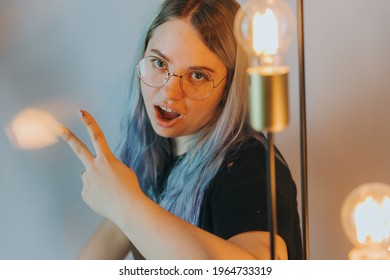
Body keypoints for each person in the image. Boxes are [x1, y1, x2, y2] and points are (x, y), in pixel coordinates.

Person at [59, 0, 303, 260]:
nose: (169, 93)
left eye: (198, 75)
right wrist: (121, 201)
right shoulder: (155, 155)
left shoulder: (247, 165)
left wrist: (125, 204)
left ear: (228, 89)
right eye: (159, 64)